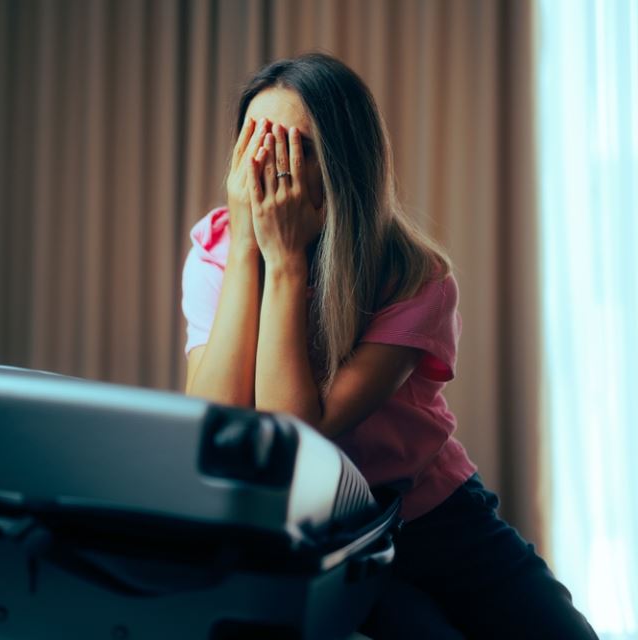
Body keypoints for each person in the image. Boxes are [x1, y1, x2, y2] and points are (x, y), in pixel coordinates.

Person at [180, 52, 596, 639]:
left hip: (433, 512)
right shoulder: (217, 253)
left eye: (295, 148)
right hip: (324, 533)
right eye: (256, 142)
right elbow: (224, 428)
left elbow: (304, 425)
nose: (270, 167)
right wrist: (256, 251)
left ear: (343, 165)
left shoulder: (413, 277)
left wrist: (285, 258)